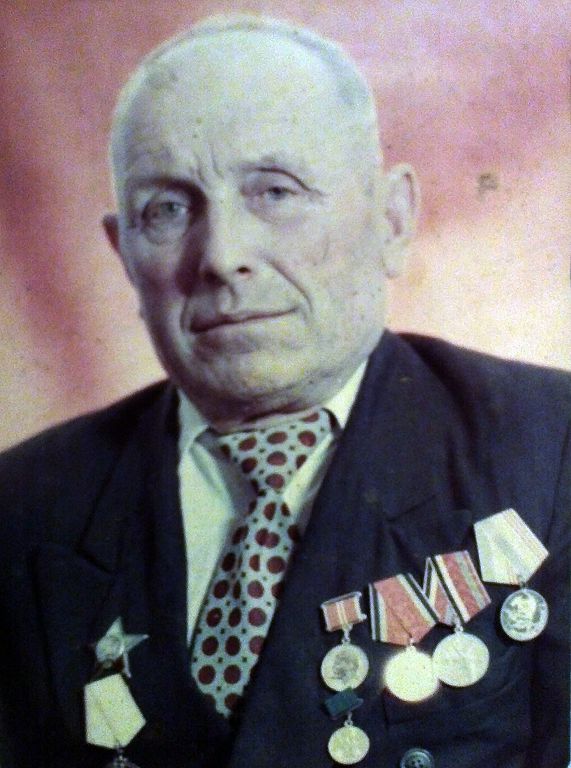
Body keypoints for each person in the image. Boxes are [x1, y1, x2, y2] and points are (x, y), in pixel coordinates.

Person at [0, 14, 568, 768]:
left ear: (391, 220)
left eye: (274, 191)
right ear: (124, 254)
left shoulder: (551, 449)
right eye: (167, 209)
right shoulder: (21, 504)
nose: (221, 256)